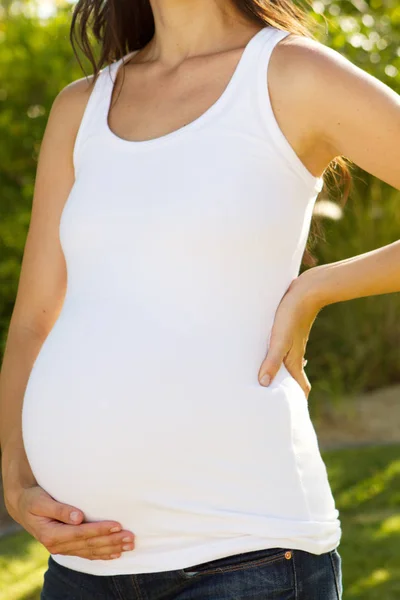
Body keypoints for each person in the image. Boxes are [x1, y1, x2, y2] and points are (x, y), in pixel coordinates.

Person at [1, 0, 399, 596]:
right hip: (83, 567)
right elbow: (34, 318)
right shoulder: (80, 106)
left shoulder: (292, 75)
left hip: (250, 557)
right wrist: (15, 478)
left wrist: (316, 288)